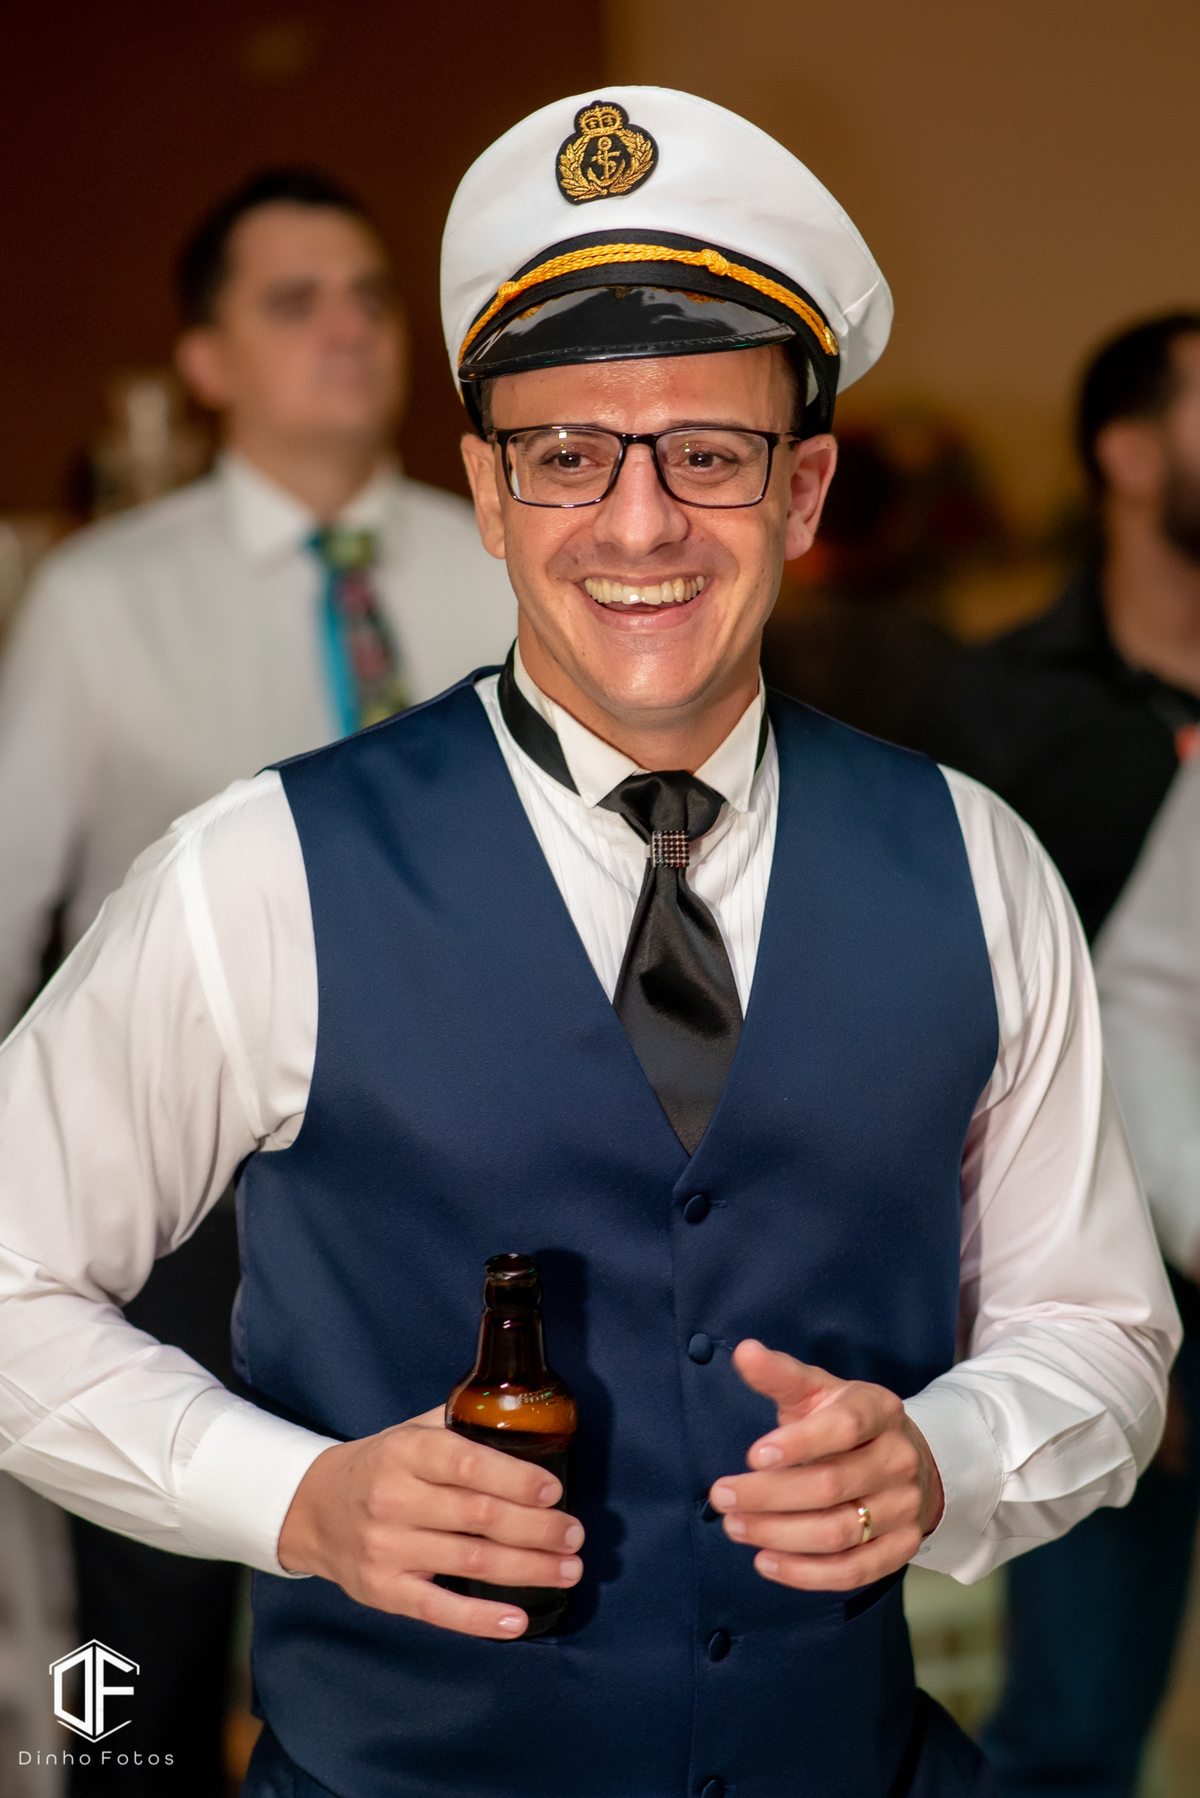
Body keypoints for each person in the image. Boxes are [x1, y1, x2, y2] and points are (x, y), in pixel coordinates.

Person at [0, 89, 1176, 1798]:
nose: (639, 525)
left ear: (805, 487)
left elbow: (1105, 1332)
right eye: (567, 454)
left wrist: (951, 1453)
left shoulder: (976, 864)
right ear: (486, 490)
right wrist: (297, 1499)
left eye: (709, 451)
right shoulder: (256, 871)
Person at [0, 166, 514, 1794]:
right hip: (174, 1195)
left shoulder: (502, 557)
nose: (348, 327)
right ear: (205, 359)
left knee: (430, 1594)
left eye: (370, 294)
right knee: (134, 1646)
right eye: (296, 300)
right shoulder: (103, 597)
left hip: (443, 1187)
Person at [924, 314, 1200, 1797]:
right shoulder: (992, 712)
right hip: (1090, 1262)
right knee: (1076, 1726)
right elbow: (948, 1014)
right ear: (1128, 453)